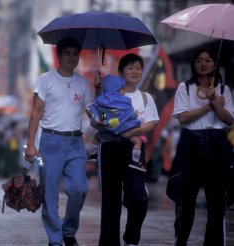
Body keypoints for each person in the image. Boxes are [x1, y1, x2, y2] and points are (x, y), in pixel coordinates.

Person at [24, 37, 93, 246]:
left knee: (79, 189)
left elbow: (92, 113)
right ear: (58, 55)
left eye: (75, 54)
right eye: (67, 54)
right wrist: (31, 145)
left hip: (75, 143)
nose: (72, 58)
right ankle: (55, 240)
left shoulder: (83, 83)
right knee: (50, 195)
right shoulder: (45, 80)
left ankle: (68, 231)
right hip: (50, 143)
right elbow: (36, 113)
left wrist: (99, 93)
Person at [168, 48, 234, 246]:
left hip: (216, 146)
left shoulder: (224, 90)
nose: (203, 64)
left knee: (216, 203)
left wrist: (215, 100)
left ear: (215, 64)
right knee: (187, 202)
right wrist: (210, 105)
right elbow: (183, 117)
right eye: (199, 60)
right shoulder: (184, 88)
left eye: (208, 60)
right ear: (193, 65)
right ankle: (181, 242)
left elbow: (229, 119)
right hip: (191, 146)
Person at [92, 53, 159, 246]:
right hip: (111, 149)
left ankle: (131, 239)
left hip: (134, 150)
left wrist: (132, 132)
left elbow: (151, 122)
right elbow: (98, 117)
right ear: (121, 72)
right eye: (130, 67)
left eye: (138, 67)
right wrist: (98, 91)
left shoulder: (146, 97)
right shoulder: (109, 94)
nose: (135, 71)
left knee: (139, 197)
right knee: (111, 201)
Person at [88, 74, 146, 172]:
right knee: (137, 142)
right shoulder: (124, 101)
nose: (124, 91)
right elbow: (131, 115)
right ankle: (135, 162)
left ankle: (93, 155)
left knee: (97, 136)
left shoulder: (101, 101)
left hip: (107, 134)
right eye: (122, 88)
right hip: (124, 133)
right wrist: (135, 119)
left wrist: (108, 124)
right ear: (116, 89)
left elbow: (102, 118)